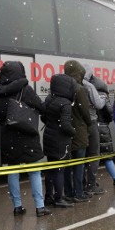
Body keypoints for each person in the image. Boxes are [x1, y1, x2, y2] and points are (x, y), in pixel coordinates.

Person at [0, 61, 50, 217]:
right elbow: (41, 107)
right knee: (35, 172)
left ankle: (17, 206)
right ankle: (40, 207)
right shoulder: (26, 90)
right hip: (28, 136)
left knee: (13, 172)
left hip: (8, 137)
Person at [42, 73, 77, 208]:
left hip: (49, 137)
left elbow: (43, 118)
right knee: (59, 170)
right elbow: (66, 126)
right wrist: (74, 132)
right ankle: (59, 198)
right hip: (60, 141)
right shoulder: (66, 104)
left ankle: (48, 197)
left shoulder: (49, 99)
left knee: (50, 168)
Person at [62, 60, 93, 201]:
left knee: (68, 165)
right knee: (79, 164)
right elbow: (85, 112)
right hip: (79, 130)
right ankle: (79, 193)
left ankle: (68, 192)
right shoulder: (79, 89)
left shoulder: (61, 87)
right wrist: (88, 124)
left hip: (65, 131)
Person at [82, 66, 107, 194]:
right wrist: (103, 98)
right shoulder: (89, 86)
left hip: (78, 124)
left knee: (80, 156)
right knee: (93, 155)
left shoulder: (72, 84)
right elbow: (99, 104)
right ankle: (91, 185)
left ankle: (80, 185)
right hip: (90, 123)